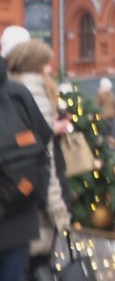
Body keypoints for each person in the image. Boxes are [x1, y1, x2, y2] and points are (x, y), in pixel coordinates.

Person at [5, 40, 72, 276]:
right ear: (35, 65)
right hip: (27, 207)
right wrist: (58, 209)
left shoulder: (12, 89)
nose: (50, 70)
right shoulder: (31, 93)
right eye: (46, 64)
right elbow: (46, 157)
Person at [0, 54, 53, 281]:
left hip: (17, 221)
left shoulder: (18, 93)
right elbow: (44, 146)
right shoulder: (17, 93)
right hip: (19, 217)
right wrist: (34, 197)